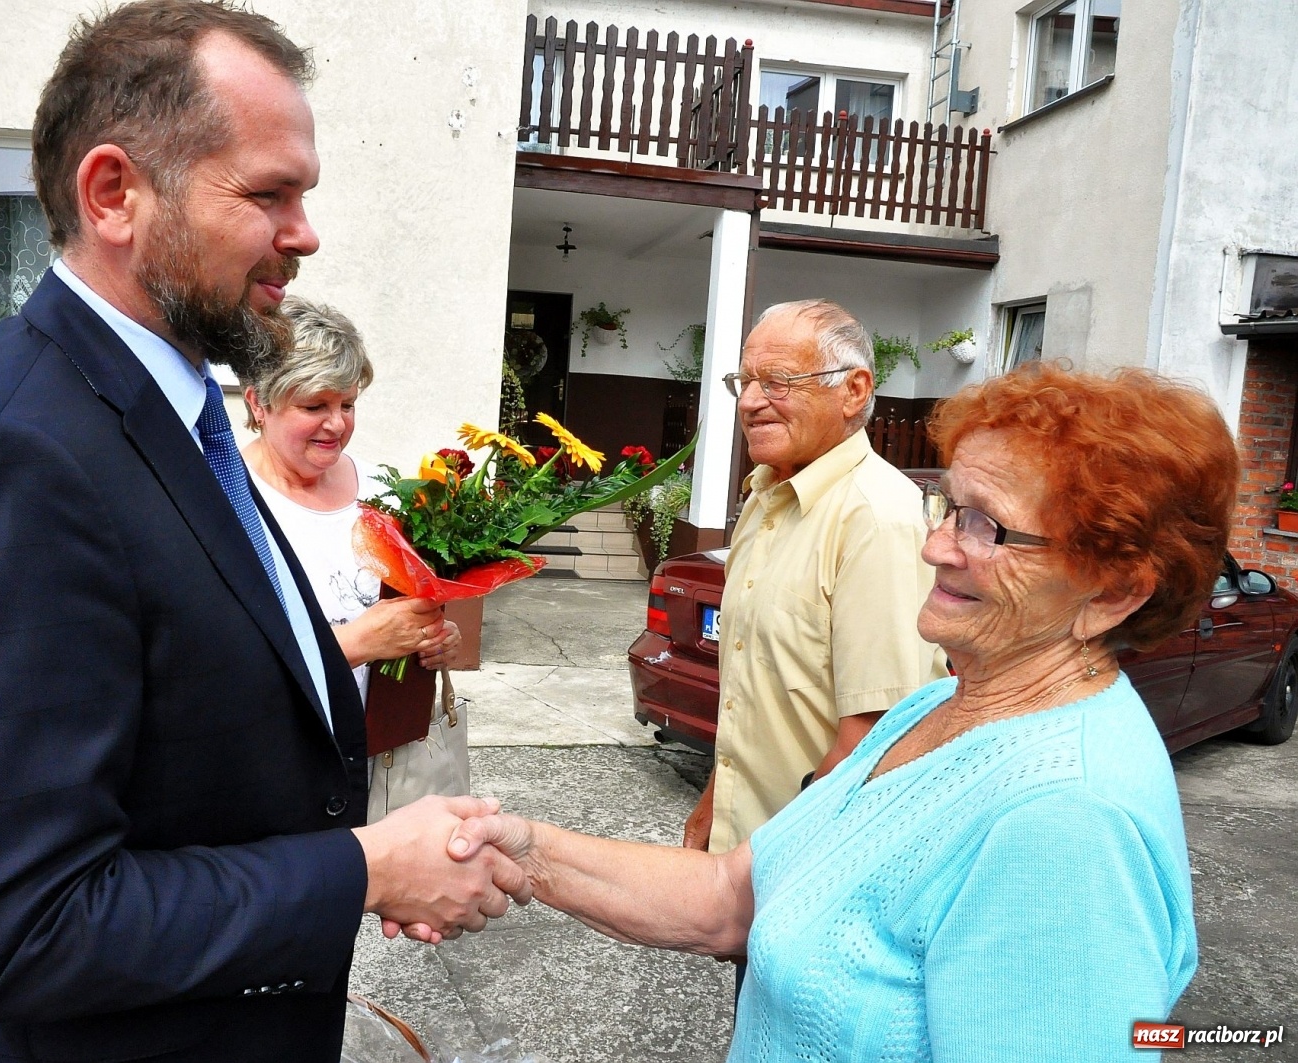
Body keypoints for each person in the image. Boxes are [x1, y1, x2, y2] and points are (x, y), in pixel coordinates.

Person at [0, 5, 526, 1062]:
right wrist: (363, 868)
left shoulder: (177, 419)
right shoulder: (5, 458)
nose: (305, 233)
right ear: (114, 193)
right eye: (267, 194)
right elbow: (19, 929)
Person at [443, 363, 1228, 1062]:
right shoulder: (936, 706)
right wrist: (524, 851)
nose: (935, 546)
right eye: (948, 507)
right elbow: (730, 895)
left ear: (1114, 591)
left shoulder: (1066, 825)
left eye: (985, 525)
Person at [685, 299, 948, 857]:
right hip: (749, 851)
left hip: (808, 861)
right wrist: (716, 804)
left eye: (777, 382)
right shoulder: (765, 499)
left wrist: (765, 867)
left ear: (853, 391)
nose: (750, 402)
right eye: (745, 382)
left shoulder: (877, 518)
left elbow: (875, 739)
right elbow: (755, 703)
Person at [241, 296, 469, 820]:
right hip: (279, 765)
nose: (336, 425)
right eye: (314, 406)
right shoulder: (222, 499)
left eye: (347, 404)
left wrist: (436, 640)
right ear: (259, 404)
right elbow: (215, 665)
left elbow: (409, 605)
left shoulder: (383, 491)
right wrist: (359, 643)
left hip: (386, 759)